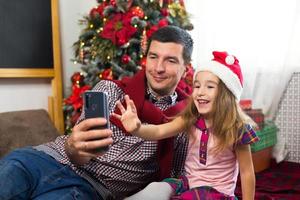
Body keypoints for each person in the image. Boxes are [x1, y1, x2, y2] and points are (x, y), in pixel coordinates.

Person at [0, 25, 194, 200]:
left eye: (170, 60)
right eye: (153, 57)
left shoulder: (184, 120)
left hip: (90, 188)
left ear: (185, 69)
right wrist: (73, 147)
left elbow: (177, 178)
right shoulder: (109, 89)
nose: (158, 68)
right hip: (45, 159)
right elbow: (77, 152)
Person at [113, 51, 259, 200]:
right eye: (197, 86)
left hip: (217, 194)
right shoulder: (191, 119)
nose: (200, 92)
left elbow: (247, 173)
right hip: (187, 184)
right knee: (156, 188)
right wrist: (137, 129)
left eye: (209, 87)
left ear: (226, 94)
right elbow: (158, 131)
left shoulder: (237, 129)